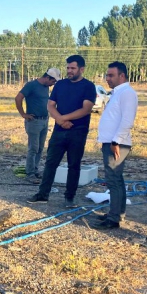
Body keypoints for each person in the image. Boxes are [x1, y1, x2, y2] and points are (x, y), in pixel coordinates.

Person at [27, 55, 96, 207]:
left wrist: (62, 118)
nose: (69, 71)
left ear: (81, 69)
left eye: (73, 68)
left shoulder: (88, 86)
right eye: (68, 68)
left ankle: (69, 197)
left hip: (78, 132)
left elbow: (86, 109)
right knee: (51, 163)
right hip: (59, 131)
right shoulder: (60, 85)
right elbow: (51, 105)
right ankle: (43, 194)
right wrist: (59, 120)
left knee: (74, 165)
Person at [92, 61, 138, 230]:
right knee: (116, 180)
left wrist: (116, 141)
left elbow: (127, 121)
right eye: (107, 75)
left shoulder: (127, 93)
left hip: (117, 144)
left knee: (113, 181)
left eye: (111, 75)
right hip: (112, 142)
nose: (107, 78)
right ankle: (117, 212)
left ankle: (114, 218)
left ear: (122, 76)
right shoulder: (118, 93)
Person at [15, 68, 61, 183]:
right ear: (47, 77)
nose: (53, 84)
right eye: (53, 81)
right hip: (34, 121)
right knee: (33, 148)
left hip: (44, 120)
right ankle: (29, 173)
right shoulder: (31, 85)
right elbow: (18, 98)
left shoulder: (46, 87)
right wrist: (23, 114)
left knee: (40, 148)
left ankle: (35, 170)